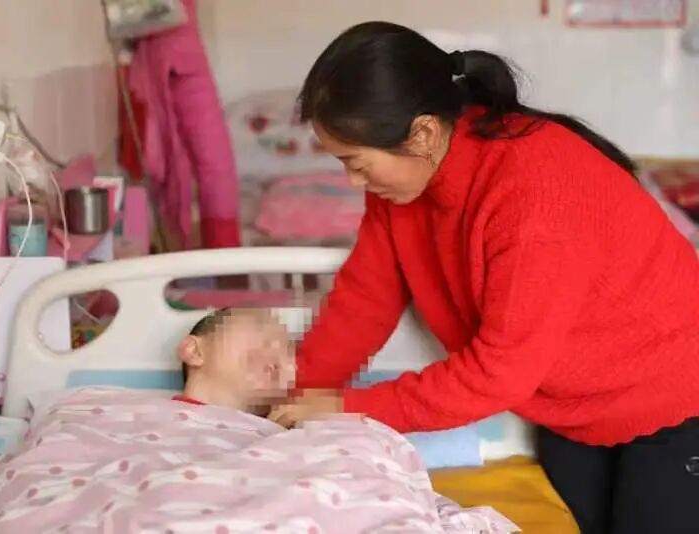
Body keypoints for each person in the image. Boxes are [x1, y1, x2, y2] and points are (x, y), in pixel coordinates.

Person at [266, 21, 699, 534]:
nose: (353, 181)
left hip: (674, 394)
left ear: (423, 132)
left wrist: (346, 408)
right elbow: (364, 300)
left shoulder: (532, 195)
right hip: (572, 406)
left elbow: (499, 372)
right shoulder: (406, 183)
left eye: (356, 162)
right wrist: (298, 398)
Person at [177, 308, 295, 416]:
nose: (277, 347)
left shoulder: (294, 429)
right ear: (194, 351)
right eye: (259, 327)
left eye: (287, 349)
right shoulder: (166, 419)